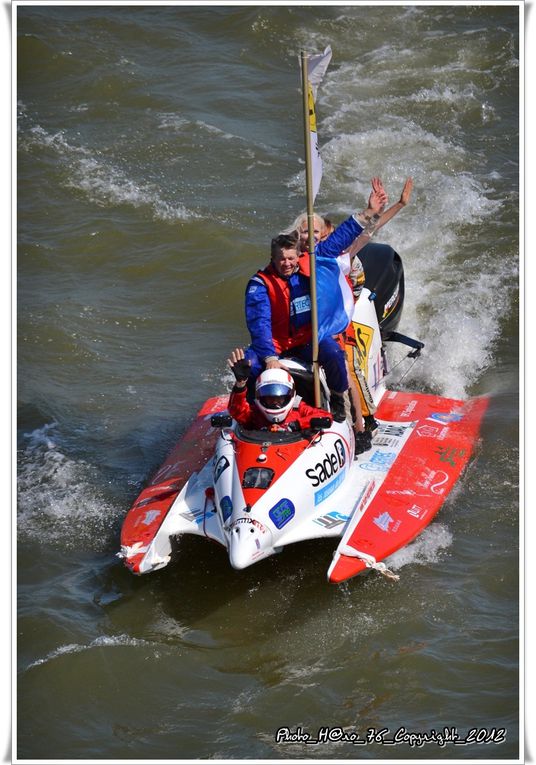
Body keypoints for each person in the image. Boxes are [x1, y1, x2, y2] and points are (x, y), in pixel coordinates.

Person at [243, 180, 387, 426]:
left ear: (298, 256)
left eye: (291, 259)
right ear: (273, 259)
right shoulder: (260, 285)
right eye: (282, 260)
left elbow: (342, 236)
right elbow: (260, 324)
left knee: (332, 353)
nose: (287, 264)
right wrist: (268, 356)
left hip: (306, 339)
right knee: (250, 365)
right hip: (275, 344)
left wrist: (369, 212)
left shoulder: (314, 260)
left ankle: (339, 401)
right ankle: (248, 415)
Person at [226, 348, 333, 432]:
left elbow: (325, 416)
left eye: (279, 397)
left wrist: (296, 425)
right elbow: (236, 411)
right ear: (260, 396)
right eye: (269, 397)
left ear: (289, 395)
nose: (274, 401)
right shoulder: (256, 413)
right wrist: (240, 383)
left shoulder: (298, 408)